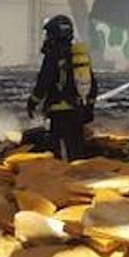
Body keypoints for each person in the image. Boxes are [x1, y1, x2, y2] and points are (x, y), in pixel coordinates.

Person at [26, 14, 97, 161]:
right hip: (78, 110)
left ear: (54, 35)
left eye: (48, 34)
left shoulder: (53, 55)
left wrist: (33, 102)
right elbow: (93, 85)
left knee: (60, 150)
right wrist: (89, 108)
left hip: (60, 113)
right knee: (76, 149)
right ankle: (79, 176)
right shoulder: (79, 55)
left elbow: (44, 81)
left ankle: (63, 179)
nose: (46, 38)